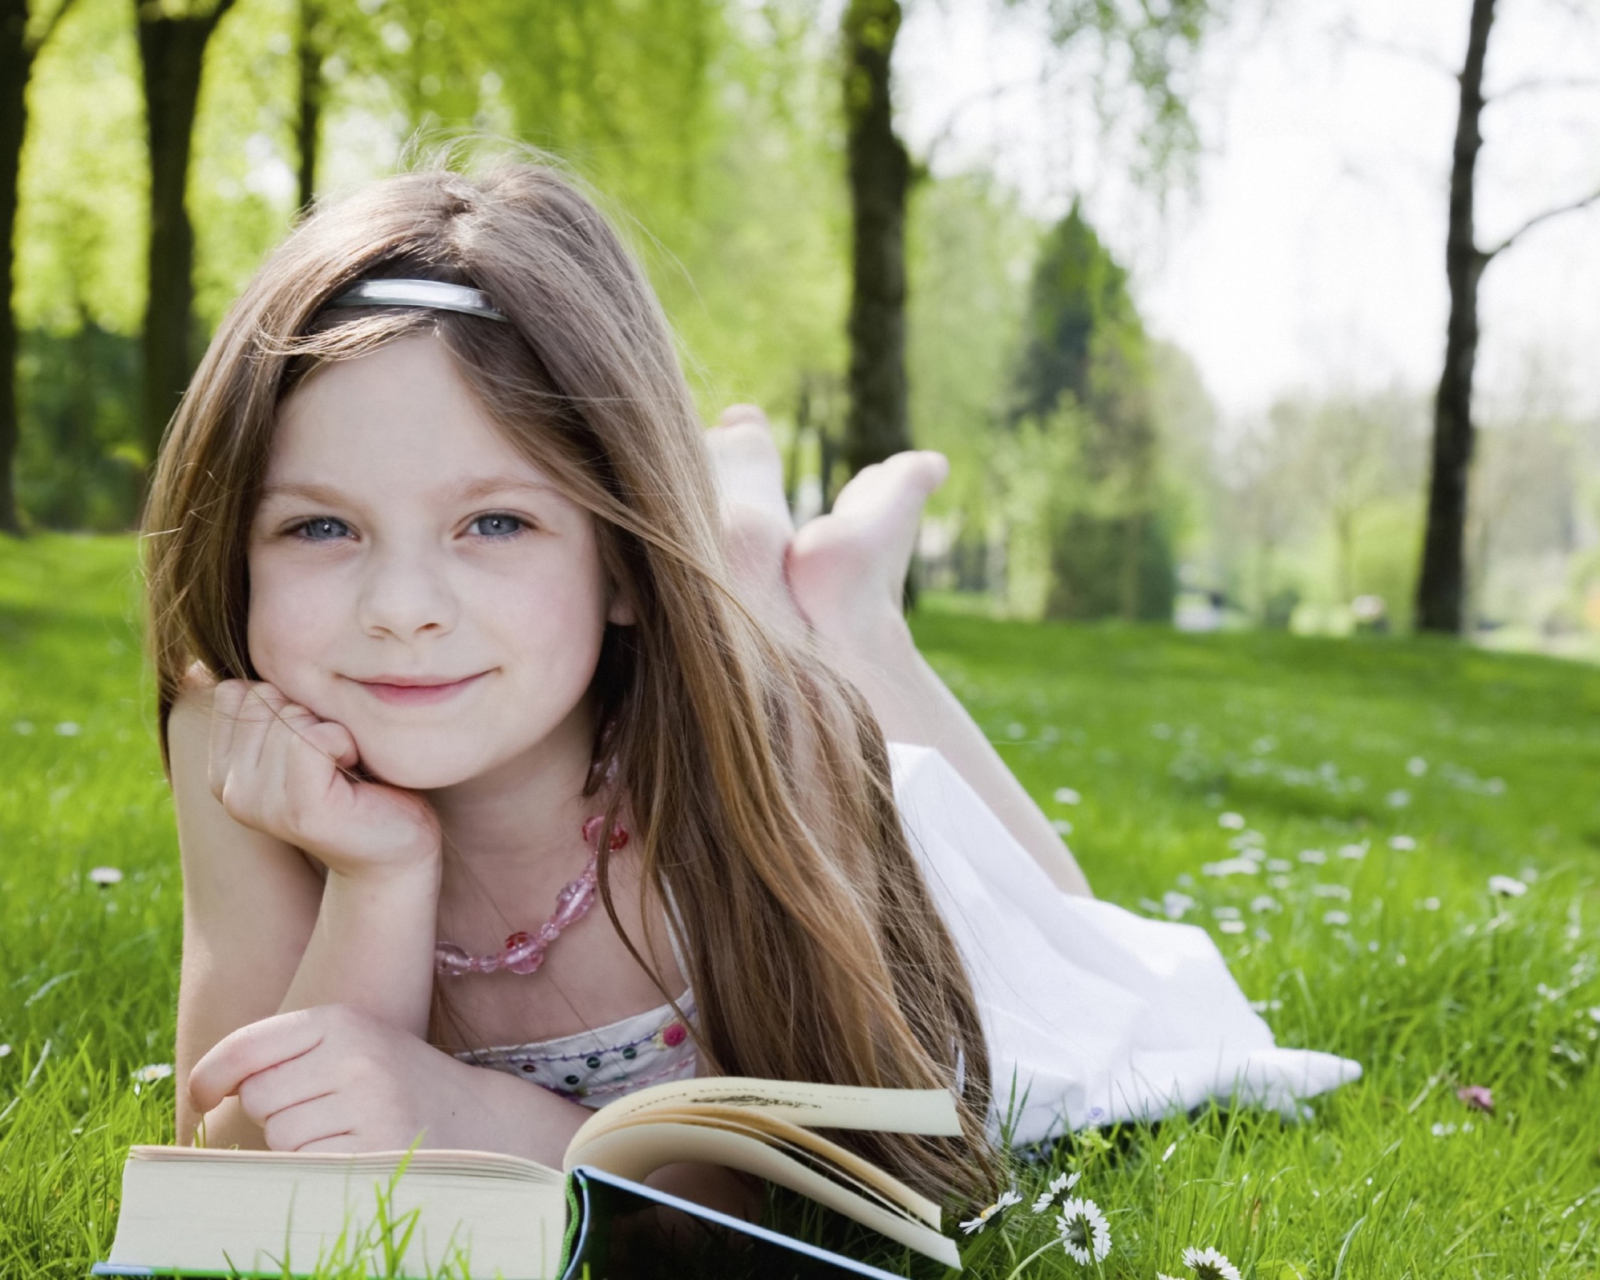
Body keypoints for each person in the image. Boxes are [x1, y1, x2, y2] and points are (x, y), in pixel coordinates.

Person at [145, 162, 1357, 1211]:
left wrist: (493, 1120)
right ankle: (755, 563)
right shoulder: (242, 748)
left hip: (877, 849)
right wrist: (379, 872)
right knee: (753, 641)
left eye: (495, 521)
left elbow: (870, 1155)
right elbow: (237, 1157)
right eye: (318, 530)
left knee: (1084, 946)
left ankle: (844, 612)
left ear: (621, 559)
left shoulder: (748, 765)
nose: (400, 605)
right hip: (726, 673)